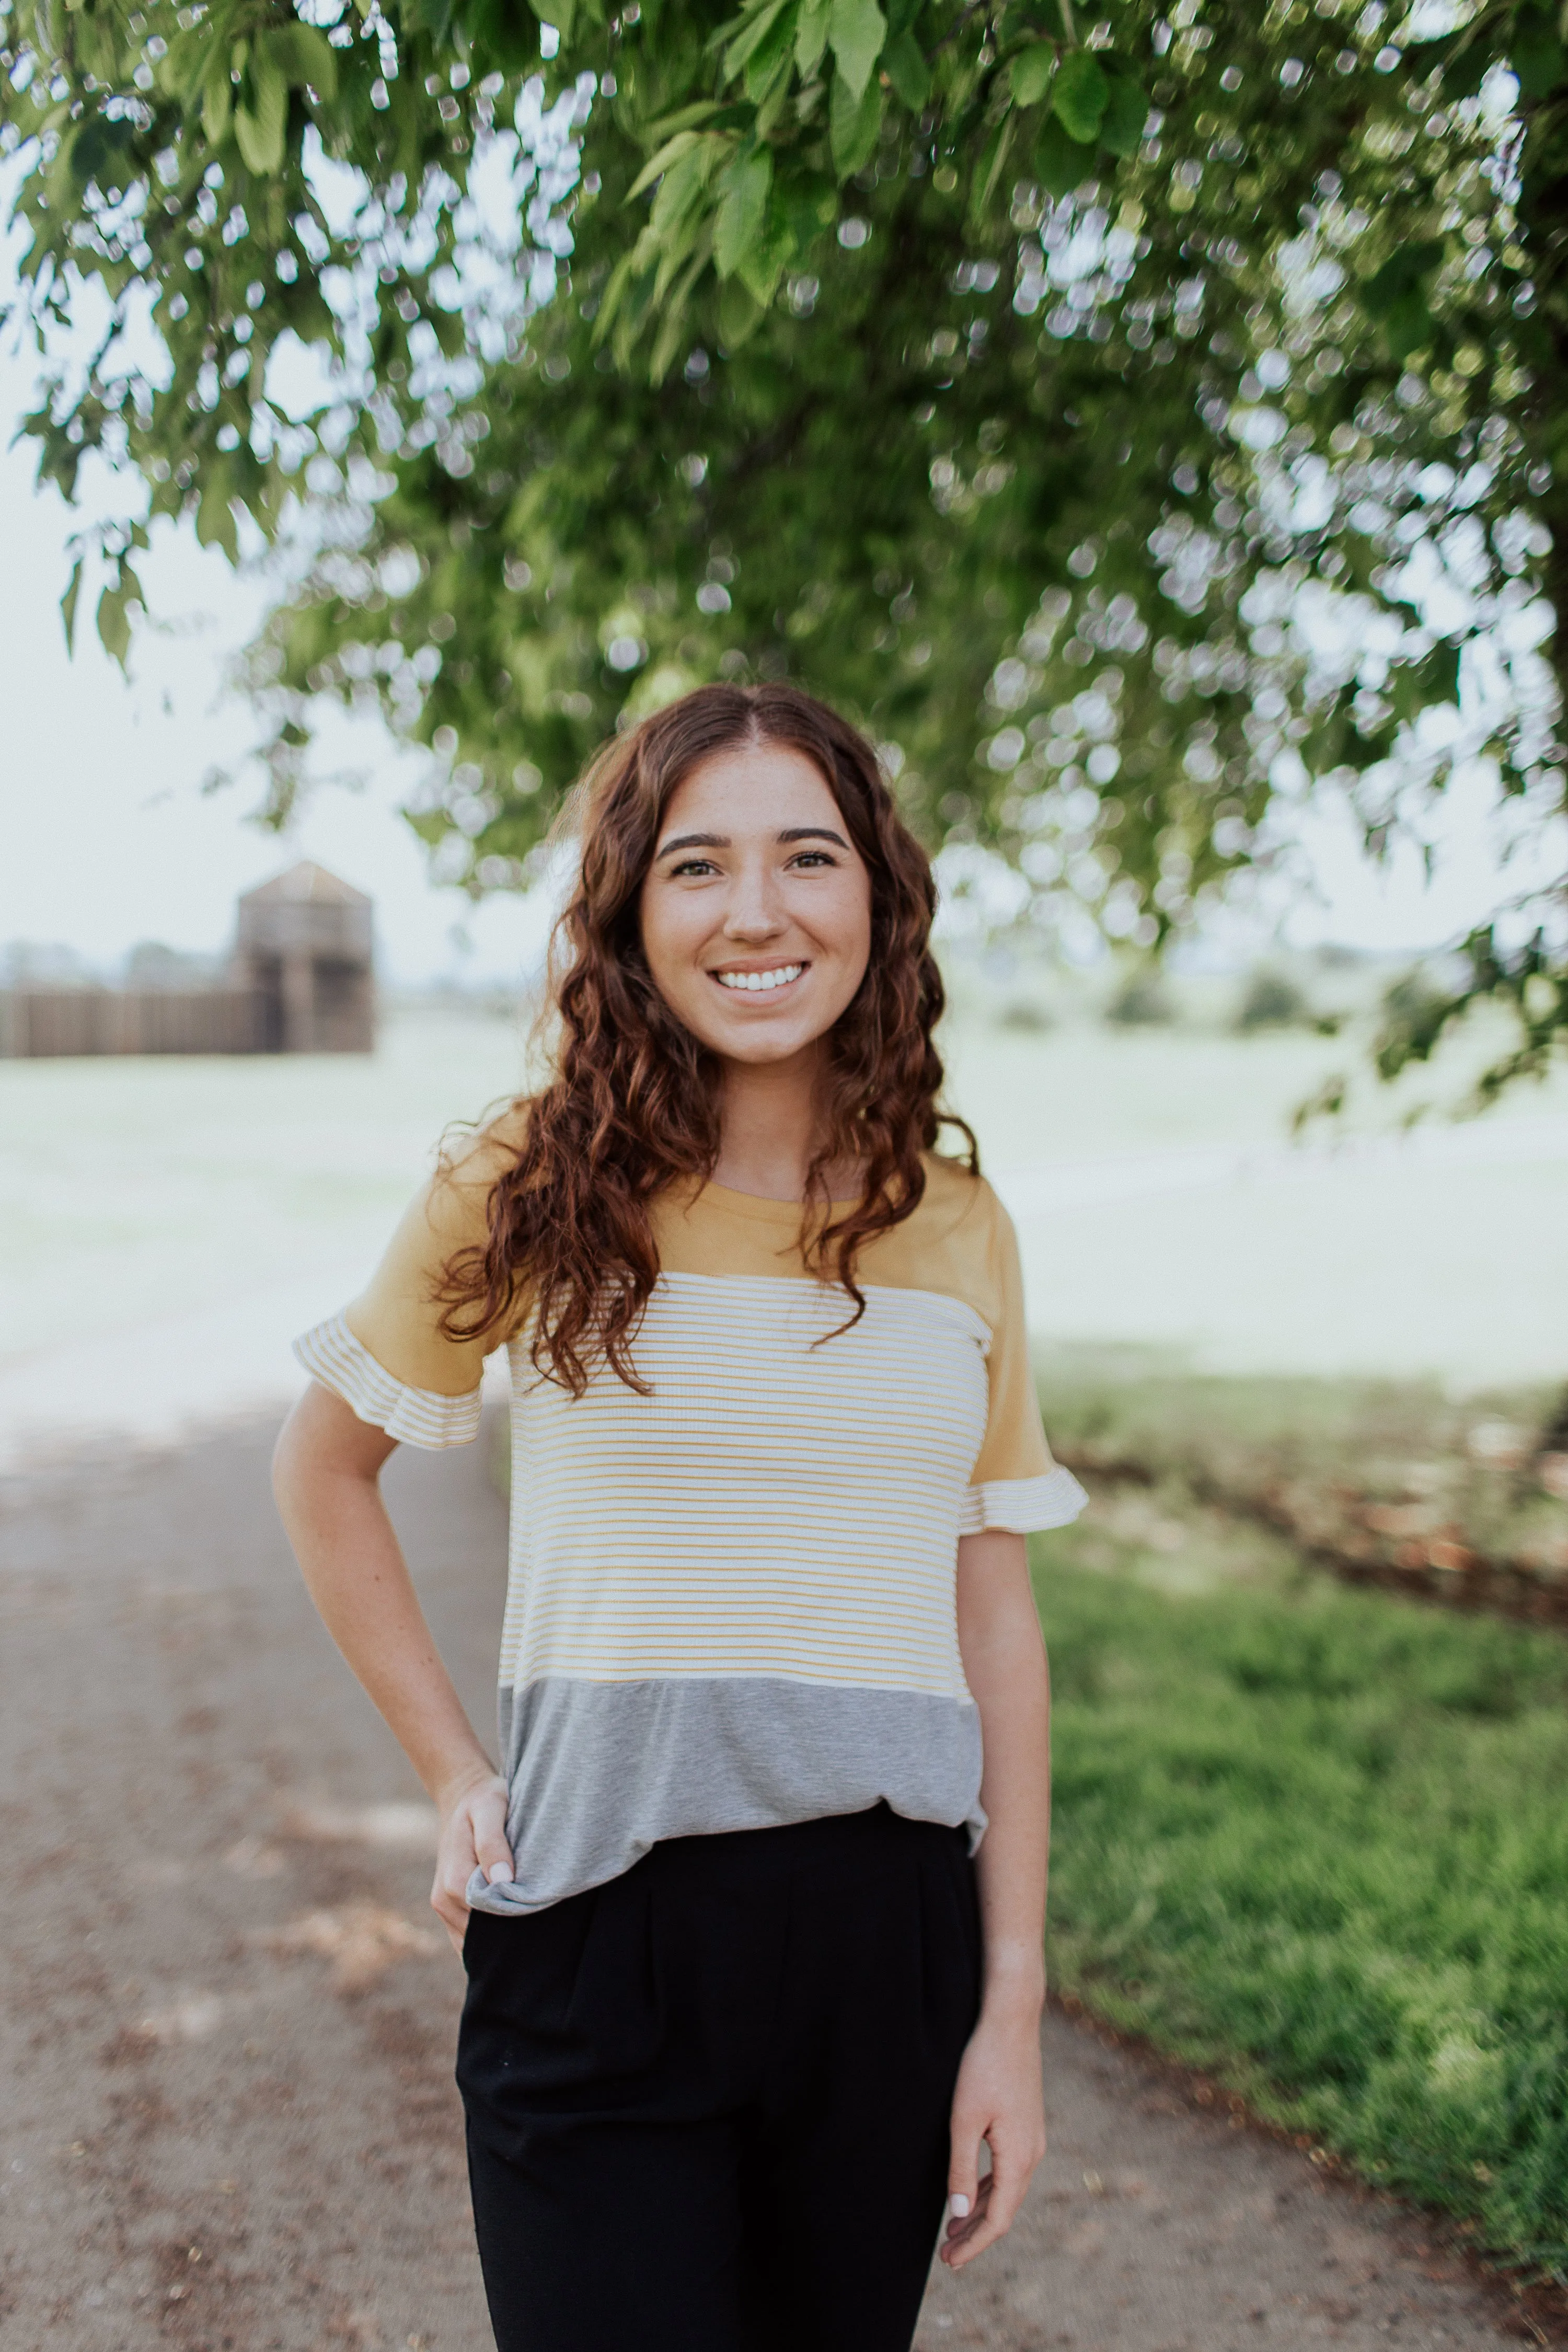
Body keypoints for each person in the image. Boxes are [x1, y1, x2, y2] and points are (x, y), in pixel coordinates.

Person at [272, 682, 1087, 2352]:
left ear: (880, 896)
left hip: (885, 1947)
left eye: (809, 856)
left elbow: (992, 1612)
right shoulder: (526, 1179)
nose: (760, 911)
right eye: (699, 867)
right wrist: (452, 1771)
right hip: (594, 1933)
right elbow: (323, 1467)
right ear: (633, 912)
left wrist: (1008, 2008)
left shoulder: (958, 1221)